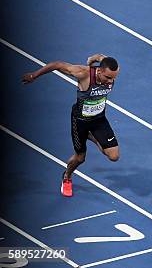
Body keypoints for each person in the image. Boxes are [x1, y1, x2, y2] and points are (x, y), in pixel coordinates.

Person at [21, 55, 120, 197]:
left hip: (99, 120)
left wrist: (95, 57)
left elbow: (104, 59)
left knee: (114, 156)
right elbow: (57, 63)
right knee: (80, 158)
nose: (111, 81)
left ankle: (91, 136)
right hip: (80, 121)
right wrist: (34, 75)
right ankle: (67, 177)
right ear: (99, 71)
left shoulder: (111, 71)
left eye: (113, 78)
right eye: (108, 78)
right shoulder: (83, 73)